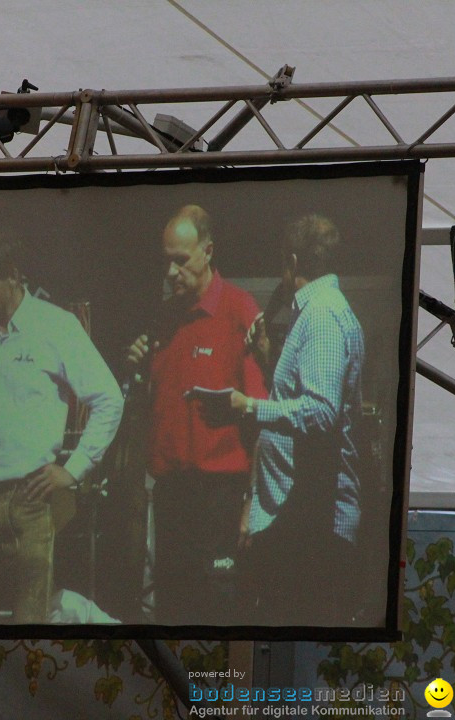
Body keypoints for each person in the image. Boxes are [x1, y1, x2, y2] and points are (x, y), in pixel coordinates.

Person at [0, 235, 124, 623]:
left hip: (28, 501)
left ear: (13, 278)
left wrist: (73, 470)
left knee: (30, 632)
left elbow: (109, 398)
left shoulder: (55, 326)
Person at [126, 204, 268, 625]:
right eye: (165, 261)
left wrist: (251, 505)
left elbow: (262, 418)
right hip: (170, 493)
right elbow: (150, 407)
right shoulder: (164, 317)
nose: (171, 273)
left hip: (220, 496)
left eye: (180, 260)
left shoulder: (240, 312)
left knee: (216, 610)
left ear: (208, 251)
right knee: (171, 608)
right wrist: (136, 371)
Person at [228, 214, 366, 625]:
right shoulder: (318, 312)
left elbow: (321, 411)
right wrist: (267, 355)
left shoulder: (321, 315)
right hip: (299, 521)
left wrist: (249, 406)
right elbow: (304, 399)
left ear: (291, 262)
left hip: (310, 528)